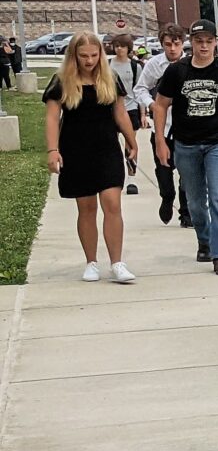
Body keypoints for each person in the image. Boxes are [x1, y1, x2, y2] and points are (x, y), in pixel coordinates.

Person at [152, 21, 218, 276]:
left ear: (216, 43)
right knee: (196, 203)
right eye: (199, 41)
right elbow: (160, 105)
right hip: (186, 144)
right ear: (192, 42)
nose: (204, 46)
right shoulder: (178, 71)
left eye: (209, 41)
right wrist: (160, 141)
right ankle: (205, 239)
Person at [45, 33, 141, 283]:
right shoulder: (61, 81)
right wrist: (52, 150)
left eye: (94, 55)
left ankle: (117, 263)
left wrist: (132, 141)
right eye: (83, 56)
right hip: (76, 150)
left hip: (106, 148)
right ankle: (91, 262)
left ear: (101, 54)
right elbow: (53, 118)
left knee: (112, 204)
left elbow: (120, 113)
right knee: (86, 208)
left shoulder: (110, 78)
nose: (89, 61)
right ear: (74, 56)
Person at [135, 24, 188, 225]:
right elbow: (140, 89)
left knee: (188, 174)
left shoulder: (191, 64)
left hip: (187, 128)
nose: (172, 49)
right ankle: (167, 198)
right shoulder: (154, 65)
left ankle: (186, 212)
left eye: (176, 44)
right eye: (168, 45)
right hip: (163, 128)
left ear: (182, 43)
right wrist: (152, 105)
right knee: (164, 170)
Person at [106, 33, 145, 194]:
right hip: (110, 108)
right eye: (117, 46)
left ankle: (131, 178)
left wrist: (143, 113)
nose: (119, 49)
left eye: (122, 46)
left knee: (130, 144)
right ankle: (112, 176)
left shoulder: (136, 66)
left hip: (131, 108)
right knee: (111, 144)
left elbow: (139, 90)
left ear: (128, 48)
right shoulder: (108, 65)